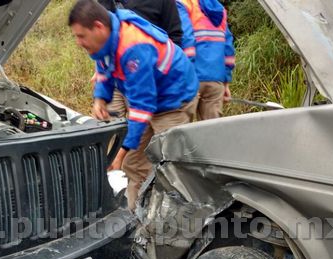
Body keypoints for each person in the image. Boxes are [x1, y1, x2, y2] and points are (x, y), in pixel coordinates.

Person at [69, 0, 198, 210]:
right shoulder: (106, 38)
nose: (78, 42)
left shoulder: (133, 48)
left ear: (98, 27)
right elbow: (104, 69)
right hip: (151, 98)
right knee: (134, 164)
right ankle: (136, 218)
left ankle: (178, 220)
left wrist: (120, 152)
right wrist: (100, 98)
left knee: (168, 164)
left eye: (81, 35)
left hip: (175, 99)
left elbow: (141, 108)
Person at [96, 0, 186, 119]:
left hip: (147, 80)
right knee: (113, 130)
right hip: (114, 79)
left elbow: (175, 36)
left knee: (150, 131)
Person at [177, 0, 235, 120]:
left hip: (191, 79)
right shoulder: (219, 9)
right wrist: (226, 83)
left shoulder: (183, 4)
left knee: (180, 130)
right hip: (215, 81)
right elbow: (228, 48)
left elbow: (186, 40)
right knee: (212, 132)